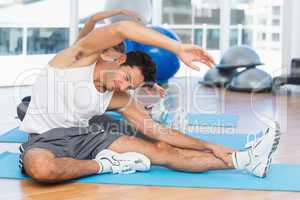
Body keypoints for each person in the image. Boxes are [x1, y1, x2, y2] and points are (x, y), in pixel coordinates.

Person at [19, 9, 281, 183]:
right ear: (120, 60)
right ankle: (107, 165)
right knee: (42, 169)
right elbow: (122, 28)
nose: (125, 88)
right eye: (128, 79)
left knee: (162, 150)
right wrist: (178, 47)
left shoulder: (118, 98)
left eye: (132, 87)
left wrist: (208, 145)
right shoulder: (75, 59)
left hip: (86, 138)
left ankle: (245, 160)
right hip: (45, 139)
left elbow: (159, 133)